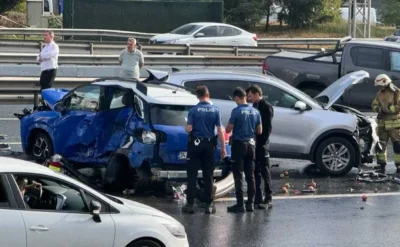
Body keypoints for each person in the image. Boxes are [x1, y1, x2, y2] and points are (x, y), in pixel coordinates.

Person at [182, 86, 227, 214]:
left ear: (197, 96)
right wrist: (223, 148)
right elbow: (219, 131)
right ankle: (209, 205)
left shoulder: (193, 111)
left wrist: (188, 126)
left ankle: (190, 204)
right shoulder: (215, 110)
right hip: (209, 145)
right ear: (208, 95)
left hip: (195, 145)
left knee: (192, 174)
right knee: (208, 175)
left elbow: (188, 129)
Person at [226, 87, 262, 213]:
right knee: (250, 175)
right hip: (251, 145)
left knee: (238, 175)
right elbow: (259, 131)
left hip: (239, 145)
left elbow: (228, 130)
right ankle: (250, 204)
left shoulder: (236, 111)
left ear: (237, 98)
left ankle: (240, 204)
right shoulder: (255, 111)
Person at [246, 85, 274, 209]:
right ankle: (258, 197)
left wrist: (261, 143)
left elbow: (267, 128)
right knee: (256, 171)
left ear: (257, 94)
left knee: (265, 170)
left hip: (262, 145)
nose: (249, 98)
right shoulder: (254, 107)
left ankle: (268, 197)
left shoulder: (266, 107)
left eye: (250, 96)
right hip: (254, 144)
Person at [372, 74, 400, 173]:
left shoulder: (396, 92)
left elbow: (398, 106)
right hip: (382, 124)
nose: (380, 87)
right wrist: (378, 109)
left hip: (394, 124)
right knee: (381, 145)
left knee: (397, 145)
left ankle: (399, 165)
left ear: (386, 83)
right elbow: (374, 104)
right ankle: (381, 164)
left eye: (381, 85)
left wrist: (388, 109)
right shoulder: (379, 93)